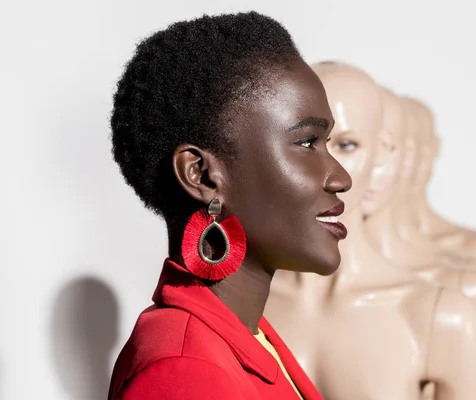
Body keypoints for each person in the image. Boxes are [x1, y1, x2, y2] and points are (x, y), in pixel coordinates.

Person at [107, 11, 351, 400]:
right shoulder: (184, 371)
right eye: (307, 143)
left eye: (330, 144)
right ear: (202, 176)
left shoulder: (245, 337)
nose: (341, 178)